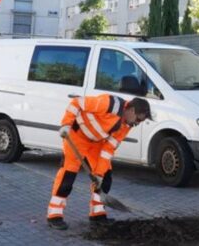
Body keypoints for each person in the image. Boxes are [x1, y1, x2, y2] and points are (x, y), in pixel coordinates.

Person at [47, 94, 152, 230]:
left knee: (105, 177)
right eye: (138, 119)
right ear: (131, 111)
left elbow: (108, 149)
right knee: (68, 175)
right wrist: (66, 124)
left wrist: (99, 174)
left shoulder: (126, 125)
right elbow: (76, 103)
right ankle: (54, 215)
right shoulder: (109, 103)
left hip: (97, 143)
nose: (137, 124)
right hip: (77, 136)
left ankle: (97, 214)